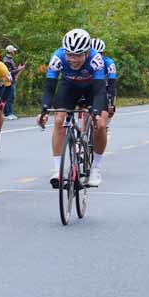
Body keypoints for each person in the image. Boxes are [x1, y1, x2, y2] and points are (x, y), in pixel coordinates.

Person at [39, 28, 109, 186]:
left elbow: (99, 90)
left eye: (78, 55)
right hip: (69, 87)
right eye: (70, 55)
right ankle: (57, 171)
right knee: (58, 120)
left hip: (92, 88)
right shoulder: (57, 58)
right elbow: (49, 87)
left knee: (101, 124)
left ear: (86, 52)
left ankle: (96, 168)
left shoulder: (96, 59)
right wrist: (44, 110)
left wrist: (96, 113)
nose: (73, 59)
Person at [91, 37, 118, 127]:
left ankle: (105, 127)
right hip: (90, 86)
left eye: (99, 54)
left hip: (106, 87)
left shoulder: (109, 63)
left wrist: (111, 104)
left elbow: (112, 84)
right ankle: (83, 132)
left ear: (103, 53)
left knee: (110, 109)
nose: (97, 56)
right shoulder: (85, 62)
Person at [2, 44, 23, 120]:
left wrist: (18, 69)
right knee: (9, 97)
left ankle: (10, 112)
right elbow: (9, 72)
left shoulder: (10, 59)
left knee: (12, 96)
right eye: (13, 51)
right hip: (8, 81)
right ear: (10, 51)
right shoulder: (6, 60)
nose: (14, 52)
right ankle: (7, 113)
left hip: (12, 81)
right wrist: (19, 69)